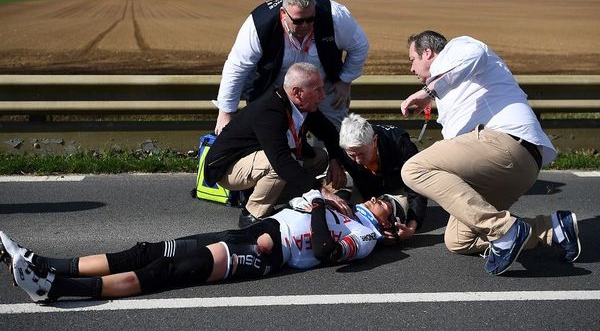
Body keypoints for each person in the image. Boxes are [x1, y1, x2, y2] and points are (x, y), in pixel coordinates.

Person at [0, 190, 408, 303]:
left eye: (388, 204)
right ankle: (43, 262)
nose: (377, 201)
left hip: (266, 254)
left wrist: (318, 203)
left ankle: (55, 289)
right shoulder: (344, 203)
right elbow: (290, 210)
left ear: (390, 223)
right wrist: (318, 198)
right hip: (253, 234)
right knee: (148, 252)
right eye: (381, 196)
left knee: (167, 273)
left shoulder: (366, 236)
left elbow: (325, 252)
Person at [399, 30, 581, 276]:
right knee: (458, 240)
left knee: (413, 169)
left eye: (412, 59)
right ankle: (553, 229)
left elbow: (474, 56)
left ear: (428, 52)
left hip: (506, 143)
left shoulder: (457, 48)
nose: (411, 68)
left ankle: (505, 231)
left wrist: (429, 92)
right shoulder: (447, 94)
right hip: (516, 165)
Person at [204, 62, 348, 228]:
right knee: (277, 166)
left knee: (319, 157)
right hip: (227, 169)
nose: (322, 96)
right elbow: (281, 161)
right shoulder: (269, 111)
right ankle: (252, 215)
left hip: (261, 160)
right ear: (297, 92)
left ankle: (272, 195)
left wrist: (335, 161)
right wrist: (321, 191)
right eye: (317, 90)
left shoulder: (303, 105)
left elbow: (330, 133)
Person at [214, 0, 369, 133]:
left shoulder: (335, 16)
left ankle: (331, 159)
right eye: (298, 21)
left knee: (334, 131)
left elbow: (360, 46)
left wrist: (345, 80)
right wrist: (226, 112)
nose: (305, 25)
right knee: (272, 130)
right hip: (274, 86)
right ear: (283, 13)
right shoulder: (259, 24)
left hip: (325, 83)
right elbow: (237, 67)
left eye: (310, 19)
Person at [338, 113, 427, 242]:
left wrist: (411, 229)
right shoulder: (346, 148)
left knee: (399, 217)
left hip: (399, 185)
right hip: (367, 186)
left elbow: (417, 189)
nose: (357, 161)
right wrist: (335, 163)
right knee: (351, 216)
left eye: (362, 154)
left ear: (374, 140)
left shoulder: (400, 143)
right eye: (352, 155)